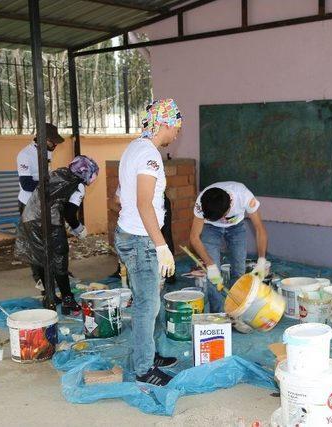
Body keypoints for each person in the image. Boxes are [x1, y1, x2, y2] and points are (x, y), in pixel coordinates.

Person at [114, 99, 182, 386]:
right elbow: (144, 204)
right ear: (164, 124)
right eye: (177, 127)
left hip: (134, 235)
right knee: (146, 305)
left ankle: (148, 353)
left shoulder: (135, 148)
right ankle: (143, 369)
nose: (177, 133)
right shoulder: (149, 156)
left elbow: (119, 195)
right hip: (142, 240)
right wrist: (161, 245)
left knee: (149, 302)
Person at [15, 155, 99, 315]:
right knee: (59, 256)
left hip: (29, 218)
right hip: (48, 222)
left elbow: (54, 200)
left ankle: (49, 296)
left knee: (41, 256)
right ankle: (68, 299)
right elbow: (69, 212)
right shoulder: (78, 186)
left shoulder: (58, 173)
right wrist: (79, 229)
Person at [17, 123, 82, 294]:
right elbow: (26, 184)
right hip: (29, 204)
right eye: (53, 142)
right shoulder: (25, 155)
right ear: (44, 139)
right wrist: (53, 186)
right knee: (37, 243)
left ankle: (57, 272)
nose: (56, 145)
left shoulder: (46, 153)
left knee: (53, 239)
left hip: (45, 202)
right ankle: (41, 279)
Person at [189, 181, 268, 313]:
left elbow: (260, 229)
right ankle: (218, 315)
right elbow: (194, 237)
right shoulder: (202, 201)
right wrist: (210, 265)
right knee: (213, 276)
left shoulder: (244, 196)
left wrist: (261, 260)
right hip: (210, 228)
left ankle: (236, 313)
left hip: (236, 227)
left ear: (230, 204)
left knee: (239, 271)